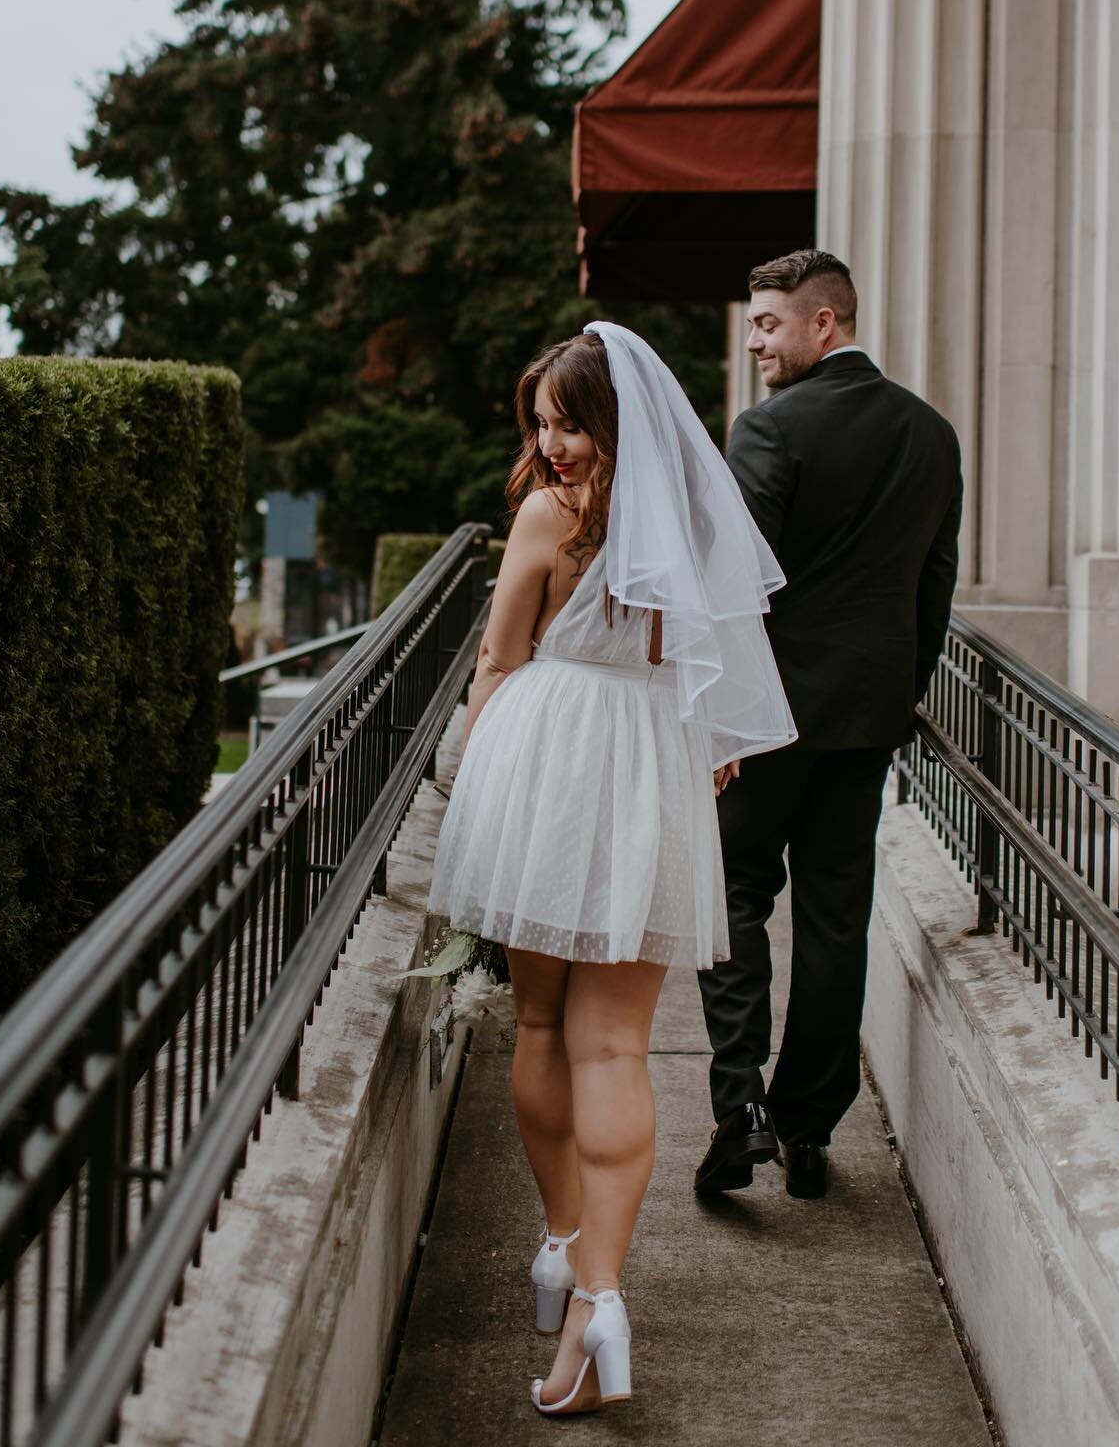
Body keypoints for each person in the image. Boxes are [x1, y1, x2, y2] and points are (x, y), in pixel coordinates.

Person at [428, 322, 795, 1417]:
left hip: (550, 768)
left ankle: (563, 1252)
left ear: (610, 420)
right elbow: (712, 677)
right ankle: (600, 1298)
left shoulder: (547, 519)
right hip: (650, 779)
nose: (551, 446)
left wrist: (465, 789)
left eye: (568, 422)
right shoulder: (686, 523)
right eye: (539, 424)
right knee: (616, 1044)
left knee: (546, 1030)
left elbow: (500, 660)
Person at [695, 249, 962, 1201]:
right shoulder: (932, 435)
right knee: (836, 918)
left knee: (729, 896)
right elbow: (934, 586)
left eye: (769, 324)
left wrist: (722, 719)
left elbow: (735, 594)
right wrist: (897, 692)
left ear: (825, 323)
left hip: (767, 720)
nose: (756, 341)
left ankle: (740, 1110)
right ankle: (808, 1125)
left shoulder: (766, 431)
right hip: (864, 723)